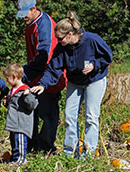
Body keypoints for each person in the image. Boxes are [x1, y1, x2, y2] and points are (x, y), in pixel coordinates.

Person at [30, 11, 113, 158]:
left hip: (94, 81)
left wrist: (95, 65)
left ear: (69, 34)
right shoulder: (61, 48)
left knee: (91, 116)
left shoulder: (92, 40)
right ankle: (70, 152)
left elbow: (107, 57)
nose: (57, 41)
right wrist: (43, 84)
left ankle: (88, 153)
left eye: (59, 38)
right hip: (75, 81)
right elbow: (53, 68)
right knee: (69, 115)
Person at [16, 0, 67, 153]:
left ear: (33, 8)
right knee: (33, 111)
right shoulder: (30, 23)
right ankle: (34, 145)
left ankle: (46, 148)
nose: (23, 18)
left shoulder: (44, 25)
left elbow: (44, 58)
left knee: (47, 113)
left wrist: (24, 75)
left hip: (49, 76)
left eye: (25, 14)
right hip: (36, 77)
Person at [3, 63, 38, 165]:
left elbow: (32, 105)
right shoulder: (12, 90)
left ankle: (21, 159)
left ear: (14, 77)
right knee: (14, 141)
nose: (7, 81)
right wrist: (6, 102)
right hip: (13, 122)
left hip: (22, 123)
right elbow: (14, 105)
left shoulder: (26, 90)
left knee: (20, 142)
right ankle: (14, 158)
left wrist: (27, 96)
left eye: (7, 79)